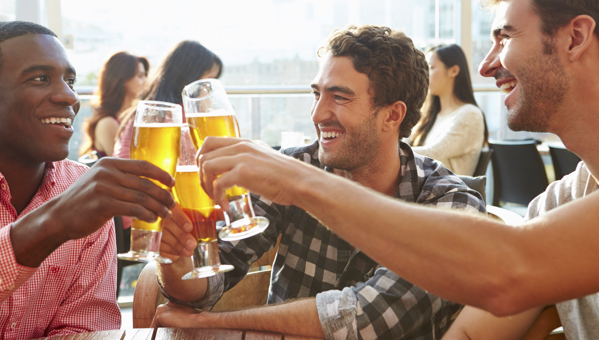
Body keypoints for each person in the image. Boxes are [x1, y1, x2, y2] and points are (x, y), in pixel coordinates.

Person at [191, 0, 599, 334]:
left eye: (504, 36)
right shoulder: (559, 204)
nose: (486, 66)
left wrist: (298, 180)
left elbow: (507, 268)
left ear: (575, 38)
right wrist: (180, 262)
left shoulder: (452, 195)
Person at [154, 25, 485, 340]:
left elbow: (363, 321)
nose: (317, 114)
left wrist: (210, 324)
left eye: (339, 97)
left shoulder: (451, 204)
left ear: (392, 115)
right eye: (317, 93)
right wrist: (176, 260)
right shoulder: (296, 165)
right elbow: (210, 281)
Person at [0, 21, 176, 338]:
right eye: (39, 78)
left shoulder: (83, 189)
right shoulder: (80, 200)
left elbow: (84, 329)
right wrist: (50, 224)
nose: (69, 97)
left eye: (71, 81)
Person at [112, 41, 222, 236]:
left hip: (125, 213)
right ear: (190, 78)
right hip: (149, 216)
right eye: (207, 82)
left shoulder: (146, 110)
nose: (209, 92)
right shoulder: (178, 115)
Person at [409, 44, 488, 176]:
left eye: (431, 67)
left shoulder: (470, 114)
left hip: (447, 194)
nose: (425, 74)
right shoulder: (430, 115)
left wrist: (389, 152)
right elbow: (408, 142)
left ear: (453, 71)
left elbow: (434, 153)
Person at [79, 52, 149, 158]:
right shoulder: (108, 123)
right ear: (122, 79)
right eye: (140, 76)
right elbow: (126, 167)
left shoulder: (133, 118)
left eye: (145, 76)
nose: (145, 81)